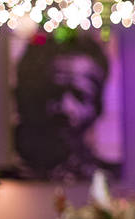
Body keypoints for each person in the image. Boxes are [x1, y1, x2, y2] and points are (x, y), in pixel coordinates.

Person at [13, 34, 121, 181]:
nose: (65, 108)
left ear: (98, 106)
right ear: (22, 98)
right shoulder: (8, 175)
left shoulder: (108, 175)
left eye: (80, 96)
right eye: (53, 93)